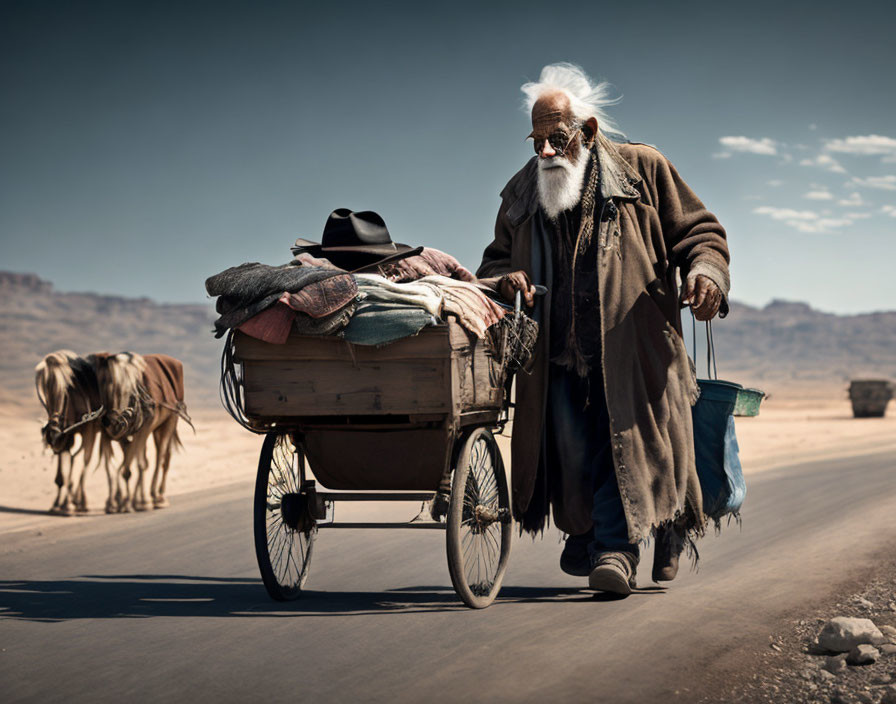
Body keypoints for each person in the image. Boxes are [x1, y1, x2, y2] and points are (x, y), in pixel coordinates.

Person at [477, 63, 730, 595]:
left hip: (634, 351)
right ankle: (597, 533)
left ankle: (616, 551)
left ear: (588, 131)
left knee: (624, 442)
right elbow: (494, 262)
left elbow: (699, 232)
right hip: (558, 354)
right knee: (571, 449)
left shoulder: (643, 169)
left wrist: (706, 273)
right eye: (537, 140)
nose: (545, 152)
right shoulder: (522, 192)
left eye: (557, 138)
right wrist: (504, 281)